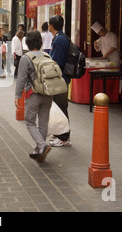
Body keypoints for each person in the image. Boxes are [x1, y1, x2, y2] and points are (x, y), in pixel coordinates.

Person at [15, 30, 52, 163]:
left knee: (30, 121)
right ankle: (39, 150)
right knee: (43, 122)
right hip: (48, 94)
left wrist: (17, 95)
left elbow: (21, 78)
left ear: (27, 43)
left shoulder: (26, 58)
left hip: (34, 94)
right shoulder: (47, 55)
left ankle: (42, 146)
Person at [48, 15, 71, 147]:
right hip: (61, 78)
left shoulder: (59, 40)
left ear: (52, 25)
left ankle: (64, 136)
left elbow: (57, 62)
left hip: (60, 79)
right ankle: (59, 132)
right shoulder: (60, 38)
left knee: (61, 106)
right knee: (58, 105)